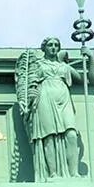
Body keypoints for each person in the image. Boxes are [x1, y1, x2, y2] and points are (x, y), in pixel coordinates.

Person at [22, 37, 84, 179]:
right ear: (44, 48)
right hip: (44, 98)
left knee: (71, 135)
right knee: (48, 136)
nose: (54, 47)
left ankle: (73, 172)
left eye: (56, 45)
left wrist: (90, 58)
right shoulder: (37, 65)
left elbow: (88, 81)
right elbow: (28, 85)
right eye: (50, 45)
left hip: (64, 98)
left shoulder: (64, 67)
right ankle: (53, 173)